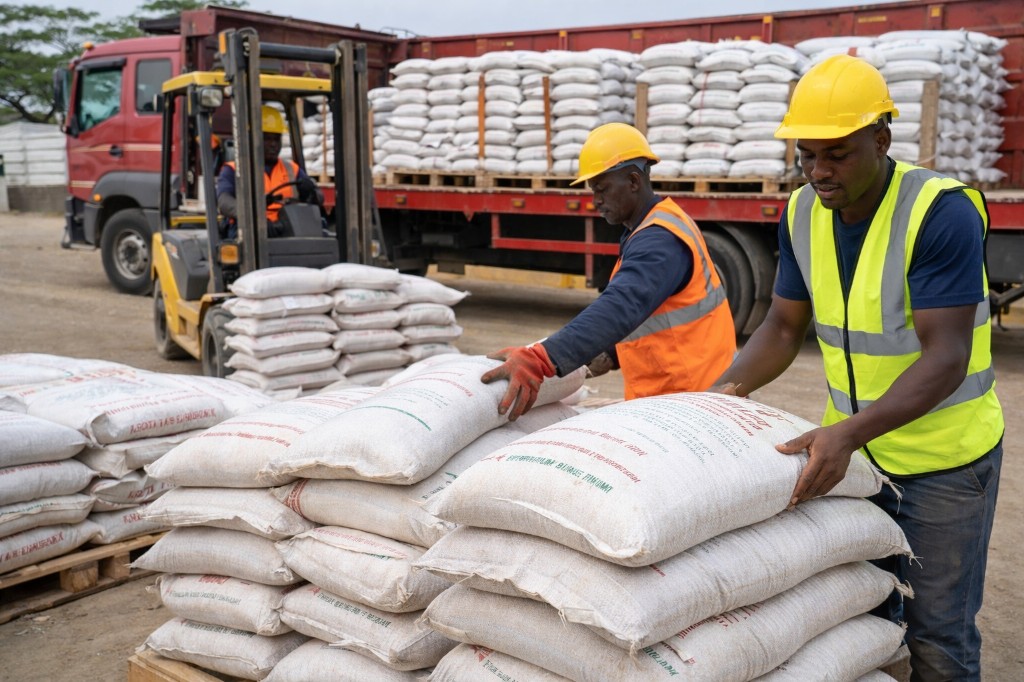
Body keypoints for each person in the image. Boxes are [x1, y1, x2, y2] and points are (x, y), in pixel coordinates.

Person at [712, 55, 1003, 681]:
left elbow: (947, 355)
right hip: (859, 456)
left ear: (881, 139)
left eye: (838, 154)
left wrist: (845, 435)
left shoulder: (938, 212)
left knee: (938, 637)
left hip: (944, 462)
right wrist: (718, 396)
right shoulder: (801, 212)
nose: (819, 171)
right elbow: (783, 326)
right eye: (806, 154)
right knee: (863, 620)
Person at [481, 122, 737, 419]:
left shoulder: (658, 240)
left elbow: (622, 305)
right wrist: (612, 354)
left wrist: (541, 358)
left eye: (602, 189)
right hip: (680, 394)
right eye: (593, 190)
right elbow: (657, 311)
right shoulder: (651, 227)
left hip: (691, 401)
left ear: (632, 181)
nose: (596, 201)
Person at [215, 104, 322, 238]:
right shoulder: (234, 170)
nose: (273, 144)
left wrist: (310, 192)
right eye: (267, 138)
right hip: (249, 231)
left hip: (289, 227)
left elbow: (318, 198)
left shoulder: (291, 169)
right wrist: (254, 218)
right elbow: (224, 201)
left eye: (276, 139)